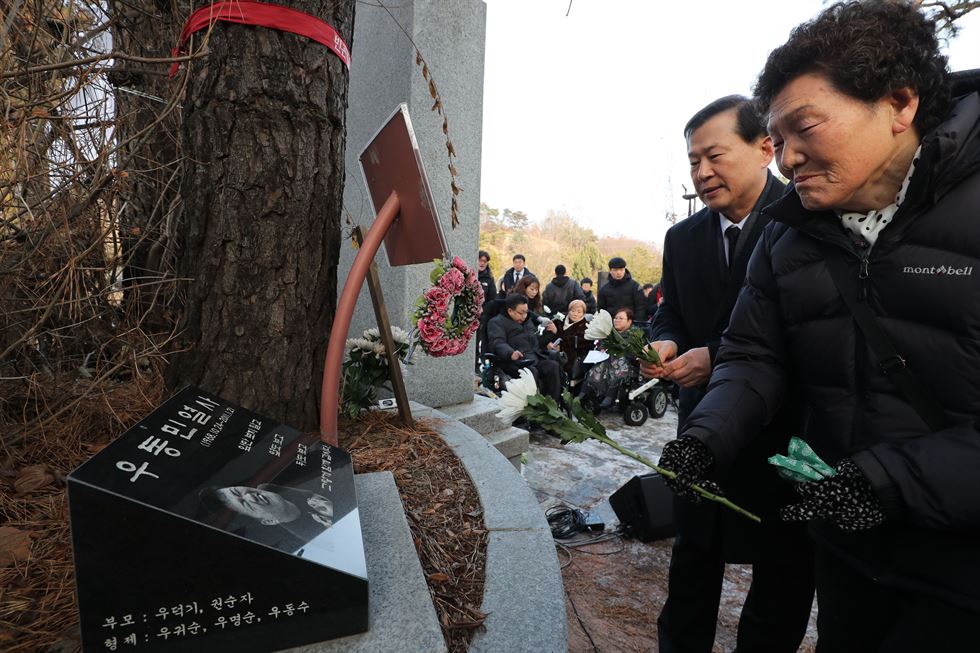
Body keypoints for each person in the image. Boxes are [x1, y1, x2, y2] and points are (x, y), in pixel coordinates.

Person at [656, 3, 980, 650]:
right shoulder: (789, 232)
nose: (787, 159)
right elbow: (753, 353)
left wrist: (890, 481)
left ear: (899, 102)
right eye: (778, 139)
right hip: (846, 549)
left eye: (804, 128)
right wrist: (708, 434)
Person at [643, 94, 814, 653]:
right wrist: (665, 338)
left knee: (782, 570)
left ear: (766, 148)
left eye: (714, 156)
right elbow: (671, 309)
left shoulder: (808, 220)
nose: (702, 173)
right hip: (701, 425)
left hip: (783, 431)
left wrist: (715, 356)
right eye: (692, 161)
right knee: (694, 555)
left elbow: (808, 331)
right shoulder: (683, 238)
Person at [487, 293, 562, 405]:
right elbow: (498, 342)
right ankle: (533, 409)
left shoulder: (527, 321)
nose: (524, 316)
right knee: (532, 372)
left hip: (534, 358)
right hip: (514, 362)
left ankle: (553, 406)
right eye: (520, 313)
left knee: (553, 366)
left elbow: (537, 342)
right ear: (510, 311)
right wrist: (511, 353)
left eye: (526, 312)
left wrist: (551, 333)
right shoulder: (496, 322)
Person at [583, 308, 642, 410]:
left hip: (628, 366)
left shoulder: (635, 335)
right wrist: (601, 348)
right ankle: (585, 392)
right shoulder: (609, 333)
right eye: (615, 318)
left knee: (618, 360)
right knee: (598, 367)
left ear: (629, 321)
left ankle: (610, 395)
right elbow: (600, 345)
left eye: (621, 318)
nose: (616, 320)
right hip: (608, 365)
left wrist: (615, 350)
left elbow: (634, 352)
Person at [555, 299, 592, 383]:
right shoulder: (560, 320)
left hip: (574, 357)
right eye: (573, 311)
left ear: (583, 314)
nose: (575, 314)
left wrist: (557, 335)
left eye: (579, 312)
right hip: (556, 354)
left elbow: (575, 342)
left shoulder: (585, 326)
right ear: (569, 311)